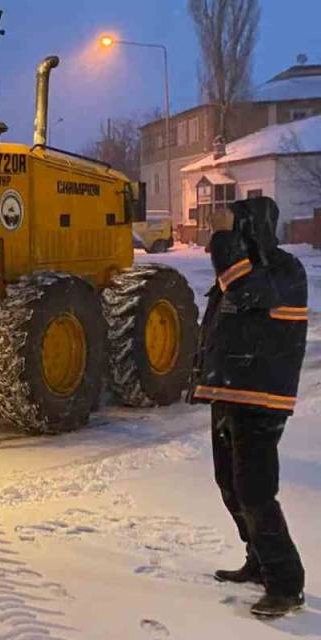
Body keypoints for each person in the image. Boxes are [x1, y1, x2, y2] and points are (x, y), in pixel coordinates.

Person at [189, 196, 308, 618]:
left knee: (256, 492)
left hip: (262, 398)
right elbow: (220, 326)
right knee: (230, 485)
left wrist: (223, 238)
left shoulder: (283, 270)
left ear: (252, 228)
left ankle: (286, 583)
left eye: (235, 227)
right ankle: (258, 560)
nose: (220, 239)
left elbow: (243, 291)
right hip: (229, 393)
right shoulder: (244, 268)